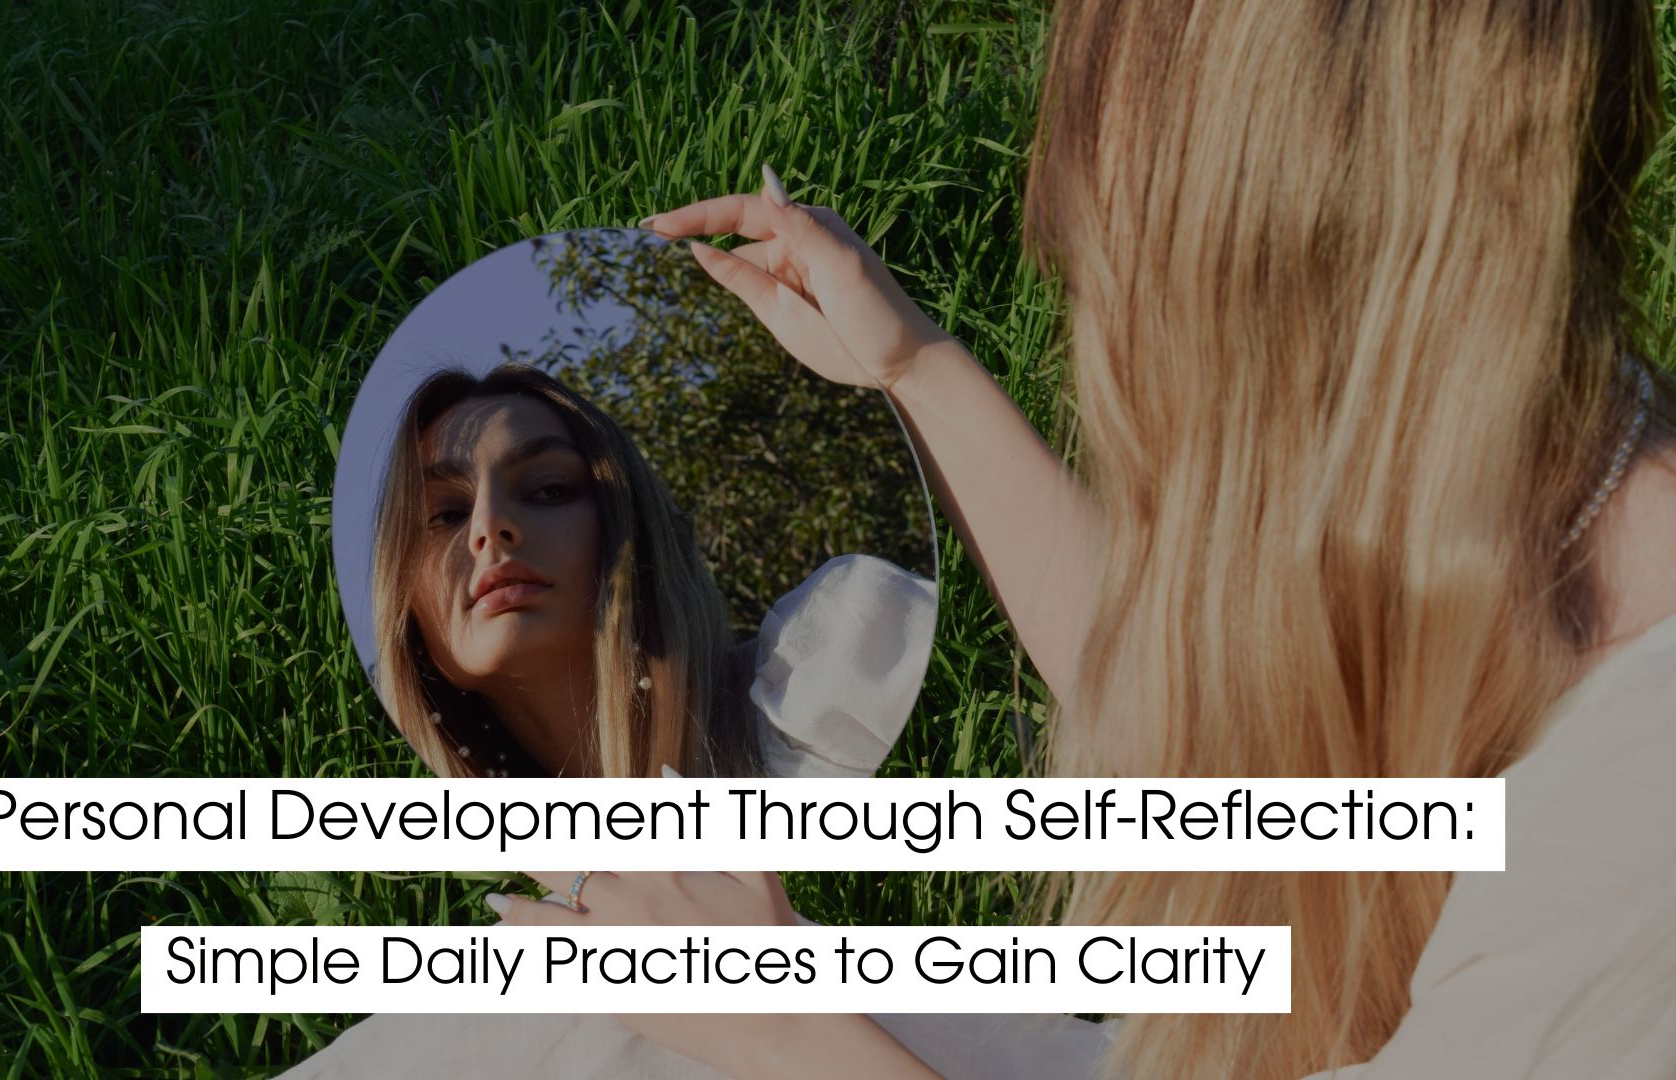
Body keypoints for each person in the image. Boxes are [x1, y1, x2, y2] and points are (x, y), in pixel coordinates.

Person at [477, 1, 1676, 1078]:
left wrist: (788, 1026)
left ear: (1279, 262)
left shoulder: (1640, 818)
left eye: (1111, 257)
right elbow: (1236, 757)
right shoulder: (1542, 474)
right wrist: (912, 368)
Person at [368, 362, 937, 780]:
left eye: (551, 489)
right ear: (403, 599)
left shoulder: (842, 673)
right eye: (445, 514)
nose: (489, 527)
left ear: (630, 527)